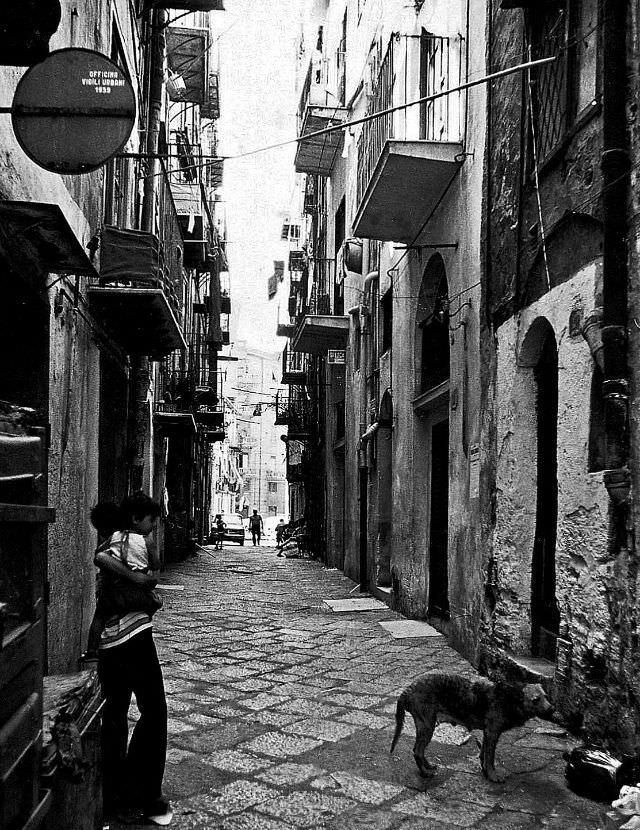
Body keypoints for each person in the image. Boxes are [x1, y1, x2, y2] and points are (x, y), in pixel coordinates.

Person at [95, 492, 171, 826]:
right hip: (134, 636)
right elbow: (152, 569)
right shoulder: (128, 542)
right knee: (155, 711)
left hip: (109, 643)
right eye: (152, 520)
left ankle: (112, 798)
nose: (154, 525)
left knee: (113, 717)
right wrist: (139, 578)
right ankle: (140, 792)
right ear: (140, 519)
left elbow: (102, 558)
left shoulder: (112, 543)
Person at [83, 501, 163, 661]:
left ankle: (91, 651)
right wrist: (137, 577)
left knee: (99, 616)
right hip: (134, 616)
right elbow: (100, 557)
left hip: (112, 598)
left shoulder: (113, 540)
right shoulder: (140, 540)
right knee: (154, 601)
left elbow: (99, 555)